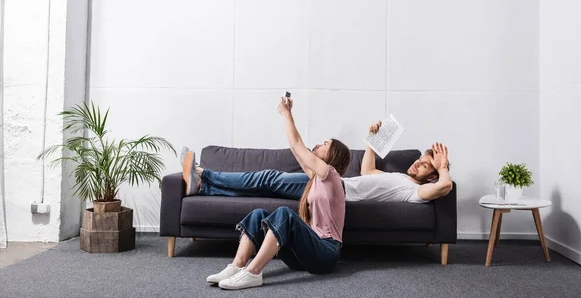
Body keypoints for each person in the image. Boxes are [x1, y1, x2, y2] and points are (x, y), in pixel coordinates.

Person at [191, 96, 351, 290]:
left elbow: (296, 144)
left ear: (334, 155)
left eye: (325, 143)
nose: (318, 144)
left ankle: (253, 272)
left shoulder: (331, 175)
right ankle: (237, 266)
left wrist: (286, 113)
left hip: (326, 252)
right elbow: (296, 149)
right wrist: (288, 115)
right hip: (304, 256)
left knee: (284, 214)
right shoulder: (315, 179)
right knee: (259, 214)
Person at [181, 121, 452, 204]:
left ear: (431, 176)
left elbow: (444, 188)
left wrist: (442, 168)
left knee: (268, 178)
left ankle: (204, 174)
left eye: (424, 165)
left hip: (336, 192)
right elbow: (368, 170)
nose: (417, 164)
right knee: (266, 184)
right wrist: (372, 141)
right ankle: (204, 188)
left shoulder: (415, 191)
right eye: (419, 159)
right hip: (337, 187)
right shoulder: (400, 178)